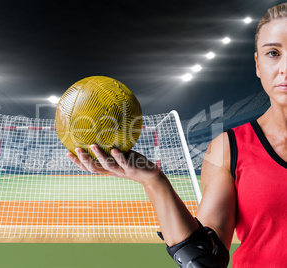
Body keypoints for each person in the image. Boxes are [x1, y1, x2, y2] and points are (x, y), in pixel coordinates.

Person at [67, 2, 287, 267]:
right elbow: (204, 259)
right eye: (273, 53)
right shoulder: (229, 148)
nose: (285, 67)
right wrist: (154, 182)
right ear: (258, 64)